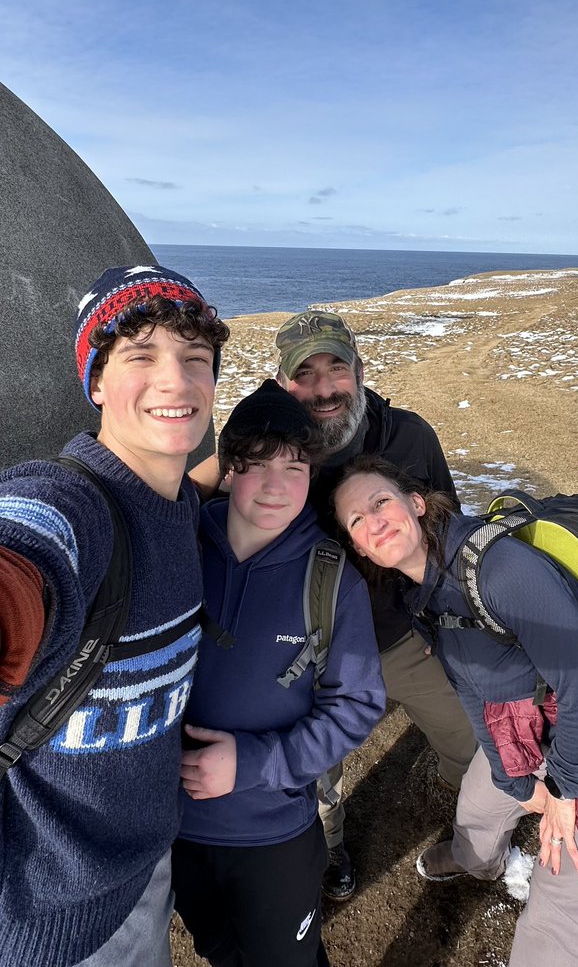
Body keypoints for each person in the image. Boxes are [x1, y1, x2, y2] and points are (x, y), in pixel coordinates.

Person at [0, 265, 230, 967]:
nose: (176, 380)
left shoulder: (181, 509)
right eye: (140, 355)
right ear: (95, 382)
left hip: (142, 879)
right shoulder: (67, 505)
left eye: (196, 358)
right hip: (41, 928)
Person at [332, 456, 578, 967]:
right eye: (356, 520)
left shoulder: (502, 571)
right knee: (480, 807)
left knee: (559, 908)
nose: (373, 521)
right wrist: (517, 781)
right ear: (358, 545)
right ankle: (475, 860)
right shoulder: (424, 592)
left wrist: (563, 794)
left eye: (380, 501)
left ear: (416, 504)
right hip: (538, 717)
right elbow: (470, 688)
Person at [192, 309, 477, 901]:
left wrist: (448, 622)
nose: (323, 388)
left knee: (468, 739)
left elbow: (445, 530)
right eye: (305, 375)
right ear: (283, 383)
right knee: (315, 764)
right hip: (309, 645)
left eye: (336, 368)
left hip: (404, 636)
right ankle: (328, 849)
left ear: (360, 371)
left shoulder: (410, 437)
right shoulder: (279, 441)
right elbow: (192, 491)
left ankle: (481, 832)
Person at [173, 380, 385, 967]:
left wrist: (254, 763)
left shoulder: (329, 576)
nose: (276, 487)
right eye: (257, 465)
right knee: (216, 947)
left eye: (295, 468)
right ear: (229, 467)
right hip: (172, 826)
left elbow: (357, 705)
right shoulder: (179, 544)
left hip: (273, 833)